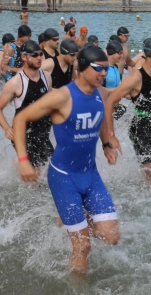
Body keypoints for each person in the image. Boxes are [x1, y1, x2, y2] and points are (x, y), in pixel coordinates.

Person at [13, 45, 120, 276]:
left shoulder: (100, 93)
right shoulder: (61, 96)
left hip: (90, 173)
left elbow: (101, 116)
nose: (103, 73)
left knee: (111, 237)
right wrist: (23, 160)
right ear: (82, 67)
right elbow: (21, 118)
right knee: (83, 247)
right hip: (64, 177)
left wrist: (107, 143)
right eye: (98, 69)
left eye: (106, 68)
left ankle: (72, 218)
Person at [105, 38, 151, 184]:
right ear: (150, 55)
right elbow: (109, 103)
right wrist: (111, 136)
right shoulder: (136, 77)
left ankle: (145, 192)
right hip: (140, 129)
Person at [0, 40, 54, 167]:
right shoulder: (15, 83)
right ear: (24, 57)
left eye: (40, 54)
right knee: (36, 177)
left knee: (52, 168)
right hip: (23, 134)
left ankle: (18, 164)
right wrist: (6, 128)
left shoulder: (46, 77)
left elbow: (49, 104)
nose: (39, 58)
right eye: (34, 55)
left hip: (43, 133)